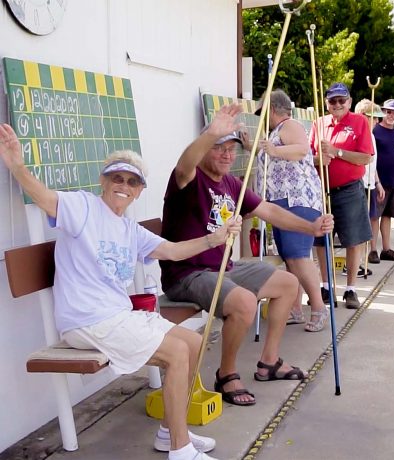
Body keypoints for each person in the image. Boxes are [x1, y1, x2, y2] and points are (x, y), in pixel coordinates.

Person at [0, 123, 243, 460]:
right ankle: (180, 450)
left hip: (117, 316)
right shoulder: (83, 207)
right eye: (117, 178)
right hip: (87, 320)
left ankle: (170, 432)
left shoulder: (129, 227)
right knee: (176, 354)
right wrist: (17, 166)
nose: (123, 186)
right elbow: (44, 197)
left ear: (140, 191)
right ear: (104, 181)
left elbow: (171, 251)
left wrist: (215, 239)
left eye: (132, 181)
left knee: (193, 343)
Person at [160, 103, 333, 407]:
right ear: (205, 149)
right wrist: (211, 132)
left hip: (223, 268)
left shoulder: (231, 183)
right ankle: (226, 374)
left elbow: (268, 210)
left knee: (288, 284)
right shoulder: (188, 178)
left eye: (232, 148)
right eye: (219, 148)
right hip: (187, 273)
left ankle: (269, 362)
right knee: (245, 302)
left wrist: (311, 228)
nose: (227, 154)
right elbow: (185, 163)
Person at [249, 89, 328, 332]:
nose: (262, 119)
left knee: (298, 255)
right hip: (282, 201)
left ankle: (318, 308)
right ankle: (295, 307)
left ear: (272, 109)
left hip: (297, 199)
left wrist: (274, 150)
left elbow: (302, 149)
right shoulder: (274, 132)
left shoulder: (288, 125)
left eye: (263, 113)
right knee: (290, 257)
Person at [310, 82, 373, 309]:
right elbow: (309, 155)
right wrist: (319, 158)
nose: (337, 104)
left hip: (349, 189)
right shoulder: (319, 123)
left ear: (349, 101)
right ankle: (326, 287)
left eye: (341, 100)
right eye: (332, 100)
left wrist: (336, 152)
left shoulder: (359, 122)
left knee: (353, 239)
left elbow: (366, 157)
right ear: (326, 103)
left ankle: (351, 289)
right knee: (321, 237)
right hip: (322, 190)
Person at [340, 98, 385, 278]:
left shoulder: (371, 135)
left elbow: (372, 163)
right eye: (374, 118)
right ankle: (352, 265)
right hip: (358, 184)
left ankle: (359, 262)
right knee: (356, 229)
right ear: (364, 116)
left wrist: (378, 183)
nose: (377, 121)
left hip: (369, 184)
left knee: (366, 225)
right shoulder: (358, 134)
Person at [368, 99, 394, 264]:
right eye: (388, 111)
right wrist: (377, 182)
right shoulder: (375, 131)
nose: (391, 115)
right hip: (380, 181)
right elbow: (371, 157)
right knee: (375, 216)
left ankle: (386, 249)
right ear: (383, 112)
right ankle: (372, 250)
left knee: (388, 216)